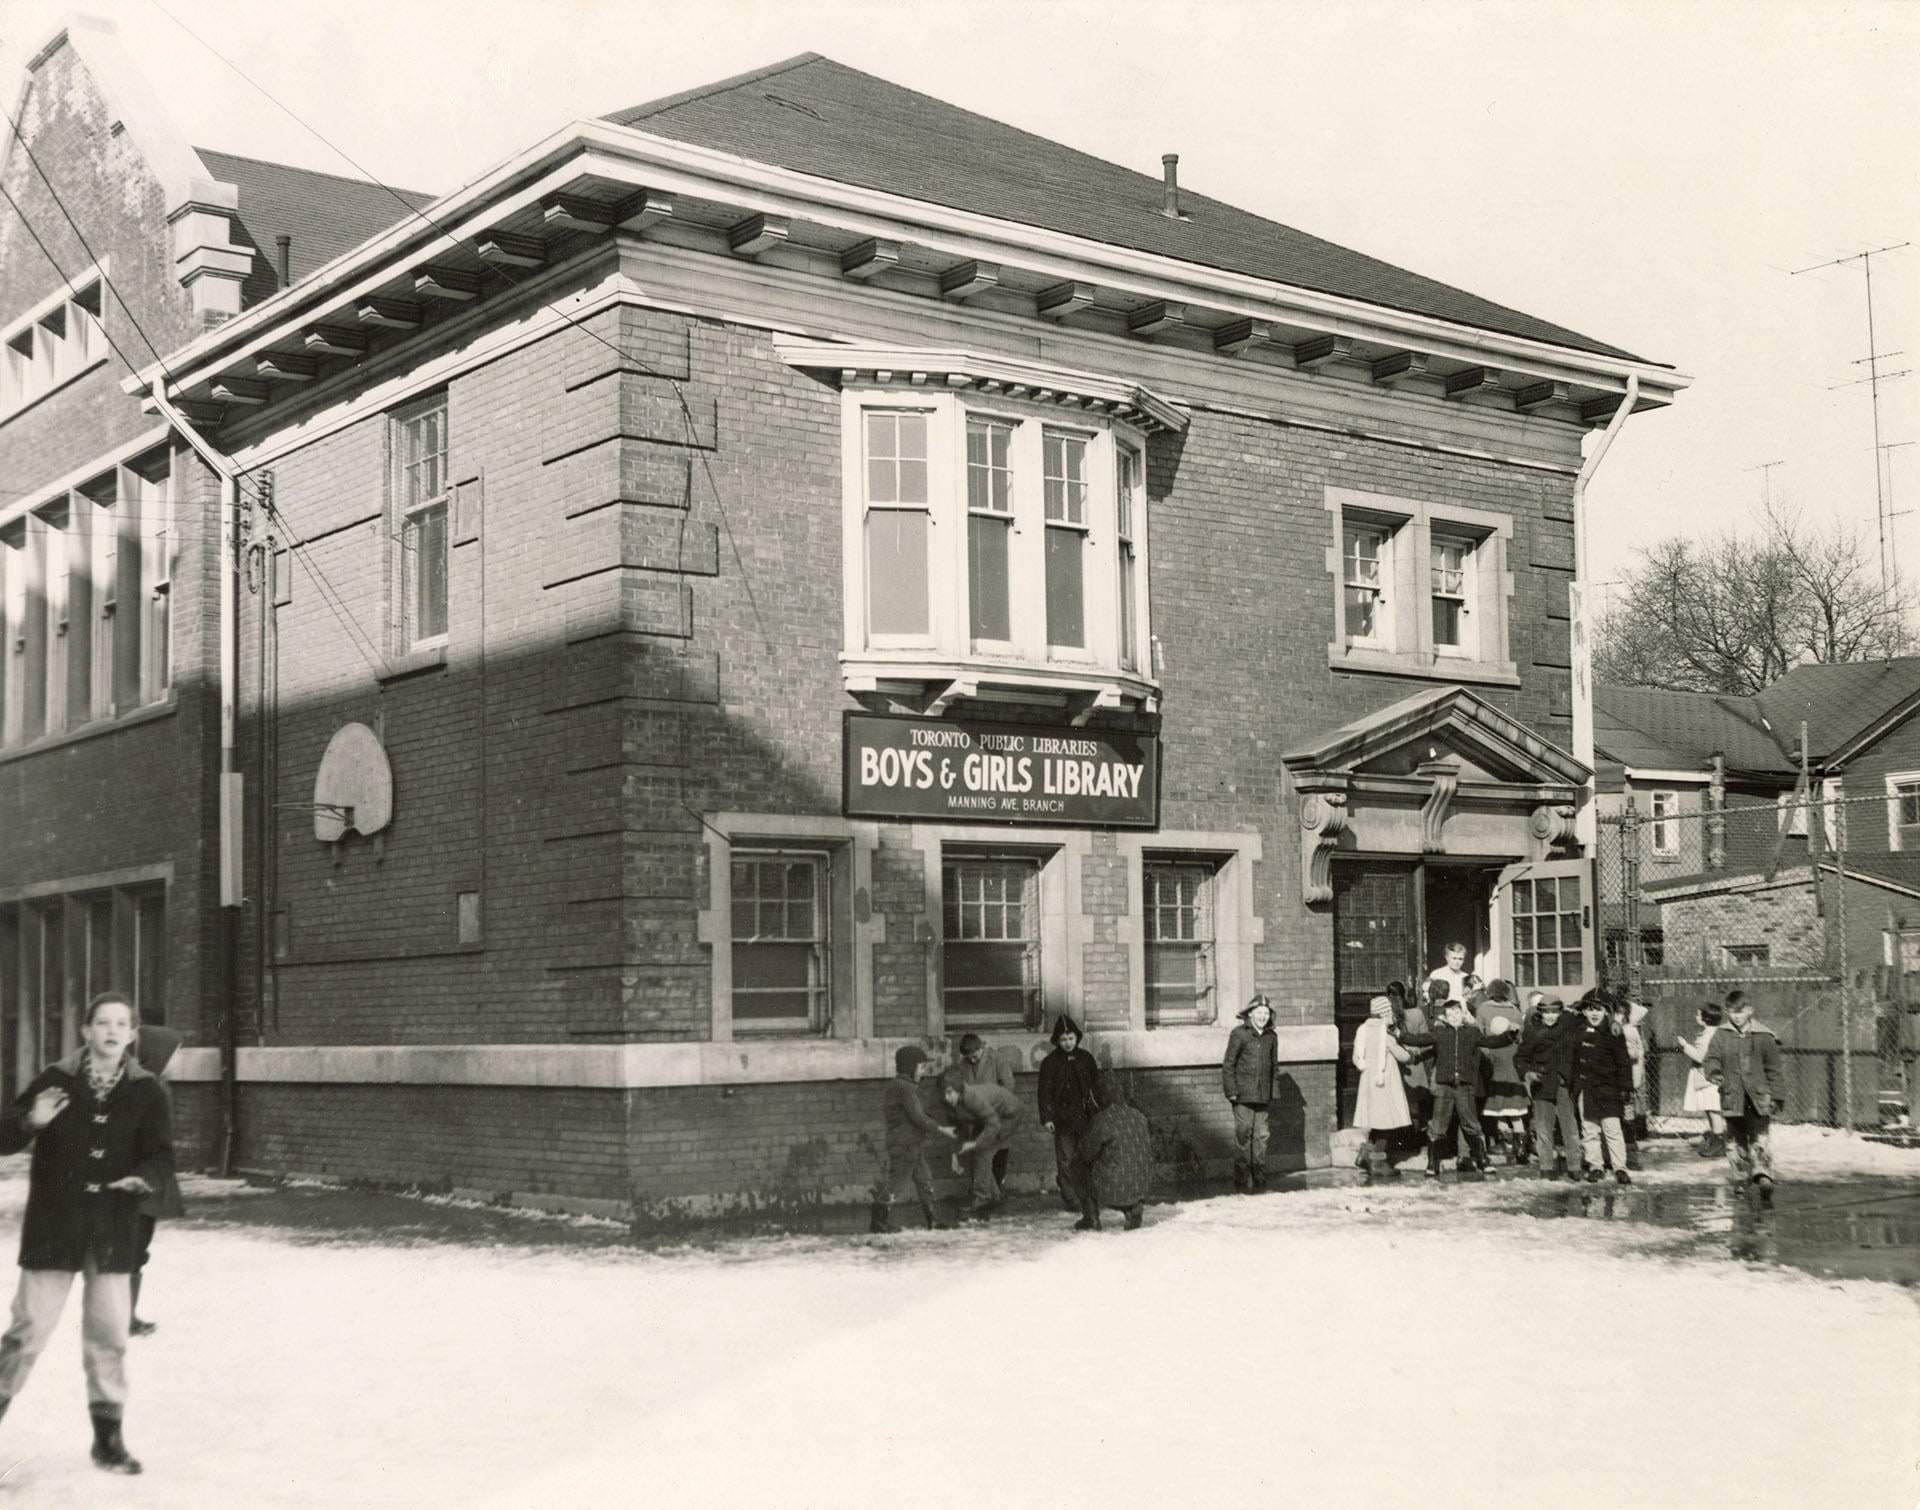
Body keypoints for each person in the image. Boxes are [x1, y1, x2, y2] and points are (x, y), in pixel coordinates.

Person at [0, 991, 173, 1475]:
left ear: (132, 1035)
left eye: (121, 1024)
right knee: (28, 1330)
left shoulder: (147, 1091)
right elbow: (4, 1134)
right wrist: (30, 1120)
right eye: (102, 1023)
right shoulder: (55, 1080)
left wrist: (143, 1178)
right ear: (86, 1031)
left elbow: (160, 1155)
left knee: (110, 1333)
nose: (112, 1031)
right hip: (55, 1225)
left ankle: (108, 1441)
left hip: (113, 1227)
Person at [1399, 997, 1513, 1180]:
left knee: (1471, 1124)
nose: (1453, 1017)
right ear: (1444, 1017)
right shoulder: (1439, 1033)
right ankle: (1432, 1164)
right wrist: (1400, 1034)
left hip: (1465, 1087)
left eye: (1457, 1013)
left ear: (1463, 1014)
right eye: (1449, 1014)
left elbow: (1490, 1042)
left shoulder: (1472, 1033)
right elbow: (1418, 1040)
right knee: (1438, 1126)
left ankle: (1483, 1160)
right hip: (1444, 1086)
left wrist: (1509, 1036)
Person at [127, 1024, 185, 1337]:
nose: (178, 1061)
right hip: (140, 1180)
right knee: (133, 1246)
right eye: (174, 1055)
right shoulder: (144, 1090)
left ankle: (127, 1315)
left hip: (151, 1177)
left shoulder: (156, 1087)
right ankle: (122, 1318)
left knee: (139, 1247)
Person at [1702, 990, 1785, 1202]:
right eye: (1732, 1012)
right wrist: (1714, 1072)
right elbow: (1711, 1058)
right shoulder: (1721, 1035)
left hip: (1759, 1098)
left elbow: (1774, 1069)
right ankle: (1740, 1177)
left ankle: (1763, 1175)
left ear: (1750, 1011)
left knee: (1760, 1137)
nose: (1736, 1016)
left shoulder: (1764, 1036)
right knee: (1734, 1140)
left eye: (1740, 1011)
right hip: (1732, 1096)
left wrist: (1777, 1096)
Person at [870, 1045, 956, 1233]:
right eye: (921, 1067)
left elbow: (917, 1114)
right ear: (910, 1067)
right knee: (898, 1182)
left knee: (924, 1179)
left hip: (911, 1144)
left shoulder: (900, 1086)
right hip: (904, 1145)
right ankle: (878, 1221)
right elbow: (918, 1116)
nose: (923, 1072)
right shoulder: (906, 1088)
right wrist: (941, 1129)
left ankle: (932, 1219)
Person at [1037, 1015, 1101, 1216]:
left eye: (1071, 1038)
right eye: (1063, 1039)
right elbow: (1044, 1092)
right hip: (1062, 1120)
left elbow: (1096, 1086)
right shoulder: (1050, 1063)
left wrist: (1098, 1112)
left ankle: (1088, 1195)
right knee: (1066, 1159)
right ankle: (1071, 1197)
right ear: (1057, 1040)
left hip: (1085, 1118)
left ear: (1077, 1037)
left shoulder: (1086, 1059)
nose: (1067, 1043)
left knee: (1087, 1157)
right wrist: (1047, 1117)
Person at [1568, 993, 1635, 1185]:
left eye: (1599, 1009)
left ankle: (1619, 1167)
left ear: (1606, 1011)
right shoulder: (1578, 1030)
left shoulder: (1613, 1032)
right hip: (1586, 1088)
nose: (1594, 1014)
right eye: (1590, 1009)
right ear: (1584, 1011)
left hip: (1608, 1089)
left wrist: (1625, 1087)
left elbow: (1623, 1062)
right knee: (1590, 1129)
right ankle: (1595, 1166)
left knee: (1612, 1129)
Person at [1516, 994, 1583, 1180]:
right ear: (1540, 1013)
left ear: (1560, 1012)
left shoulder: (1569, 1029)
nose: (1550, 1016)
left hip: (1563, 1084)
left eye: (1554, 1012)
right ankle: (1546, 1168)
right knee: (1544, 1129)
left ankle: (1574, 1167)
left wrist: (1570, 1077)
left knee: (1570, 1127)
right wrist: (1527, 1073)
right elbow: (1521, 1058)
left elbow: (1582, 1020)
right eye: (1546, 1012)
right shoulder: (1532, 1032)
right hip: (1542, 1084)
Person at [943, 1072, 1025, 1217]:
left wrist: (975, 1143)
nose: (947, 1098)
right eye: (944, 1094)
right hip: (988, 1117)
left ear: (958, 1090)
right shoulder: (954, 1103)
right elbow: (958, 1130)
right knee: (979, 1151)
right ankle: (994, 1196)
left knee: (982, 1152)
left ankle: (982, 1199)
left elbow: (994, 1124)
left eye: (950, 1093)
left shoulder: (973, 1098)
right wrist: (954, 1155)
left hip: (1008, 1116)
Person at [1080, 1072, 1153, 1231]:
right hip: (1141, 1184)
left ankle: (1091, 1217)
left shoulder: (1102, 1119)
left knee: (1078, 1165)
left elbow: (1086, 1154)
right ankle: (1134, 1209)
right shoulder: (1140, 1116)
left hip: (1115, 1186)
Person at [1350, 996, 1412, 1180]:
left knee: (1376, 1121)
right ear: (1385, 1013)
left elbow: (1356, 1057)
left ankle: (1365, 1155)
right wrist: (1410, 1053)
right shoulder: (1385, 1034)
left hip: (1368, 1081)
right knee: (1387, 1123)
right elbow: (1403, 1056)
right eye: (1390, 1011)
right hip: (1384, 1082)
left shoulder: (1362, 1029)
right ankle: (1377, 1162)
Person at [1222, 995, 1279, 1192]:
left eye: (1266, 1013)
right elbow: (1229, 1064)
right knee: (1243, 1135)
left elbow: (1274, 1066)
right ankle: (1241, 1180)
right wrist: (1231, 1091)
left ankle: (1259, 1178)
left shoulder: (1271, 1037)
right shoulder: (1239, 1034)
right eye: (1259, 1013)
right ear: (1251, 1014)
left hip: (1263, 1096)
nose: (1263, 1017)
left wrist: (1273, 1091)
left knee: (1262, 1136)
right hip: (1243, 1096)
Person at [1476, 980, 1530, 1164]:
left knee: (1495, 1107)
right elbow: (1520, 1037)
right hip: (1512, 1059)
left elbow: (1479, 1034)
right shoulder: (1515, 1011)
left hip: (1493, 1059)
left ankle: (1500, 1144)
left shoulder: (1483, 1009)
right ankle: (1521, 1151)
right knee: (1515, 1109)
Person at [955, 1032, 1017, 1191]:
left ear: (980, 1047)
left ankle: (997, 1190)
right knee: (979, 1155)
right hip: (976, 1119)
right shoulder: (962, 1065)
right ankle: (984, 1191)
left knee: (998, 1153)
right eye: (968, 1057)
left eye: (974, 1055)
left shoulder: (997, 1059)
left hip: (997, 1117)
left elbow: (1009, 1086)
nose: (972, 1060)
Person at [1679, 1003, 1728, 1157]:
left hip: (1708, 1078)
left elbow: (1700, 1057)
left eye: (1698, 1014)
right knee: (1710, 1108)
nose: (1696, 1016)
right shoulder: (1713, 1033)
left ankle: (1719, 1144)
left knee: (1713, 1110)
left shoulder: (1708, 1036)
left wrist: (1685, 1046)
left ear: (1706, 1018)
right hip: (1709, 1077)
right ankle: (1716, 1140)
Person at [1427, 942, 1471, 1006]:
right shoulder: (1436, 974)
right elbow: (1429, 997)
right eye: (1454, 958)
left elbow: (1469, 1000)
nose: (1457, 962)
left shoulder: (1466, 977)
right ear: (1446, 957)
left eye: (1460, 959)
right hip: (1441, 1009)